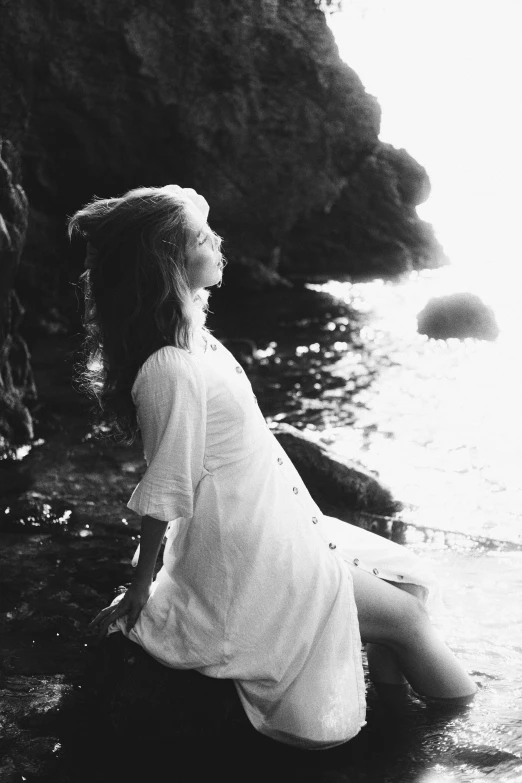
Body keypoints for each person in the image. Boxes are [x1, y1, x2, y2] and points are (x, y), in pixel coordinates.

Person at [69, 185, 477, 750]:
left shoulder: (191, 338)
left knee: (404, 583)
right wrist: (141, 590)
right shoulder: (170, 367)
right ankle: (465, 742)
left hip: (276, 521)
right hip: (250, 550)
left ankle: (402, 728)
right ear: (170, 261)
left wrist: (134, 218)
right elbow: (168, 485)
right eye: (201, 239)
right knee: (407, 620)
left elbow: (187, 208)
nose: (217, 243)